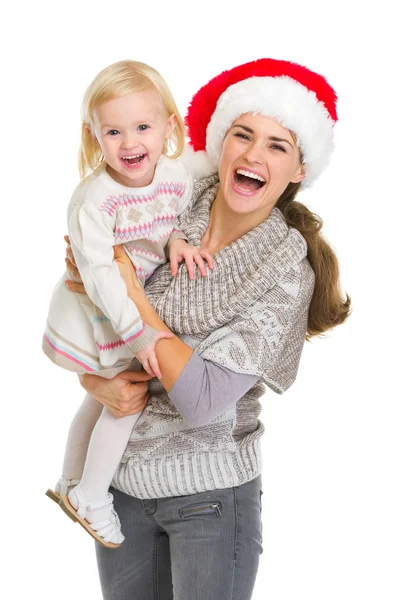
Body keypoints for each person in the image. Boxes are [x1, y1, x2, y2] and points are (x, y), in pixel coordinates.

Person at [64, 58, 351, 599]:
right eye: (242, 135)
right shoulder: (165, 200)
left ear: (297, 170)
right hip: (120, 489)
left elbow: (202, 397)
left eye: (277, 145)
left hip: (210, 500)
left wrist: (131, 294)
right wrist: (92, 382)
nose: (252, 154)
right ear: (220, 144)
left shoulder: (286, 270)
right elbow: (89, 310)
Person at [43, 60, 213, 548]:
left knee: (99, 399)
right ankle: (93, 495)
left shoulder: (176, 176)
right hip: (103, 308)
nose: (130, 142)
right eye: (113, 131)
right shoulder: (93, 200)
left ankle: (70, 480)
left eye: (142, 127)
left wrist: (177, 240)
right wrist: (137, 331)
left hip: (132, 296)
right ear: (94, 136)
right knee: (124, 400)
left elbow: (169, 221)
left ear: (168, 127)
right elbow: (98, 275)